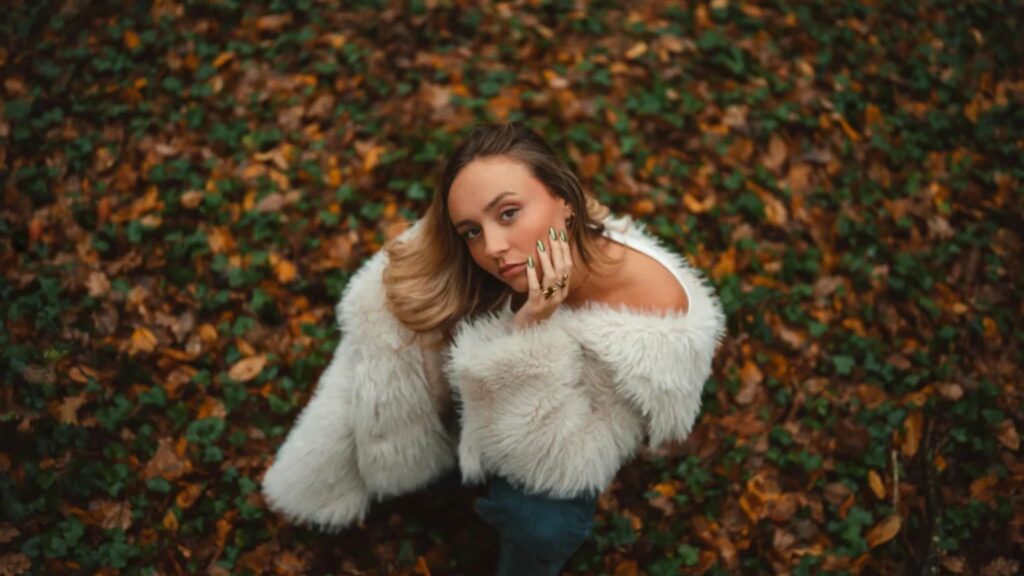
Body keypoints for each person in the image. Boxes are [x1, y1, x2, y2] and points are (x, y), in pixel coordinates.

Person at [261, 121, 727, 575]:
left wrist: (530, 331)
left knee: (541, 522)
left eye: (508, 214)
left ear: (566, 201)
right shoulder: (498, 260)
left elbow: (556, 460)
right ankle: (441, 484)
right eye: (472, 231)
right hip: (478, 421)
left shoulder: (653, 319)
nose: (494, 249)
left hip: (555, 444)